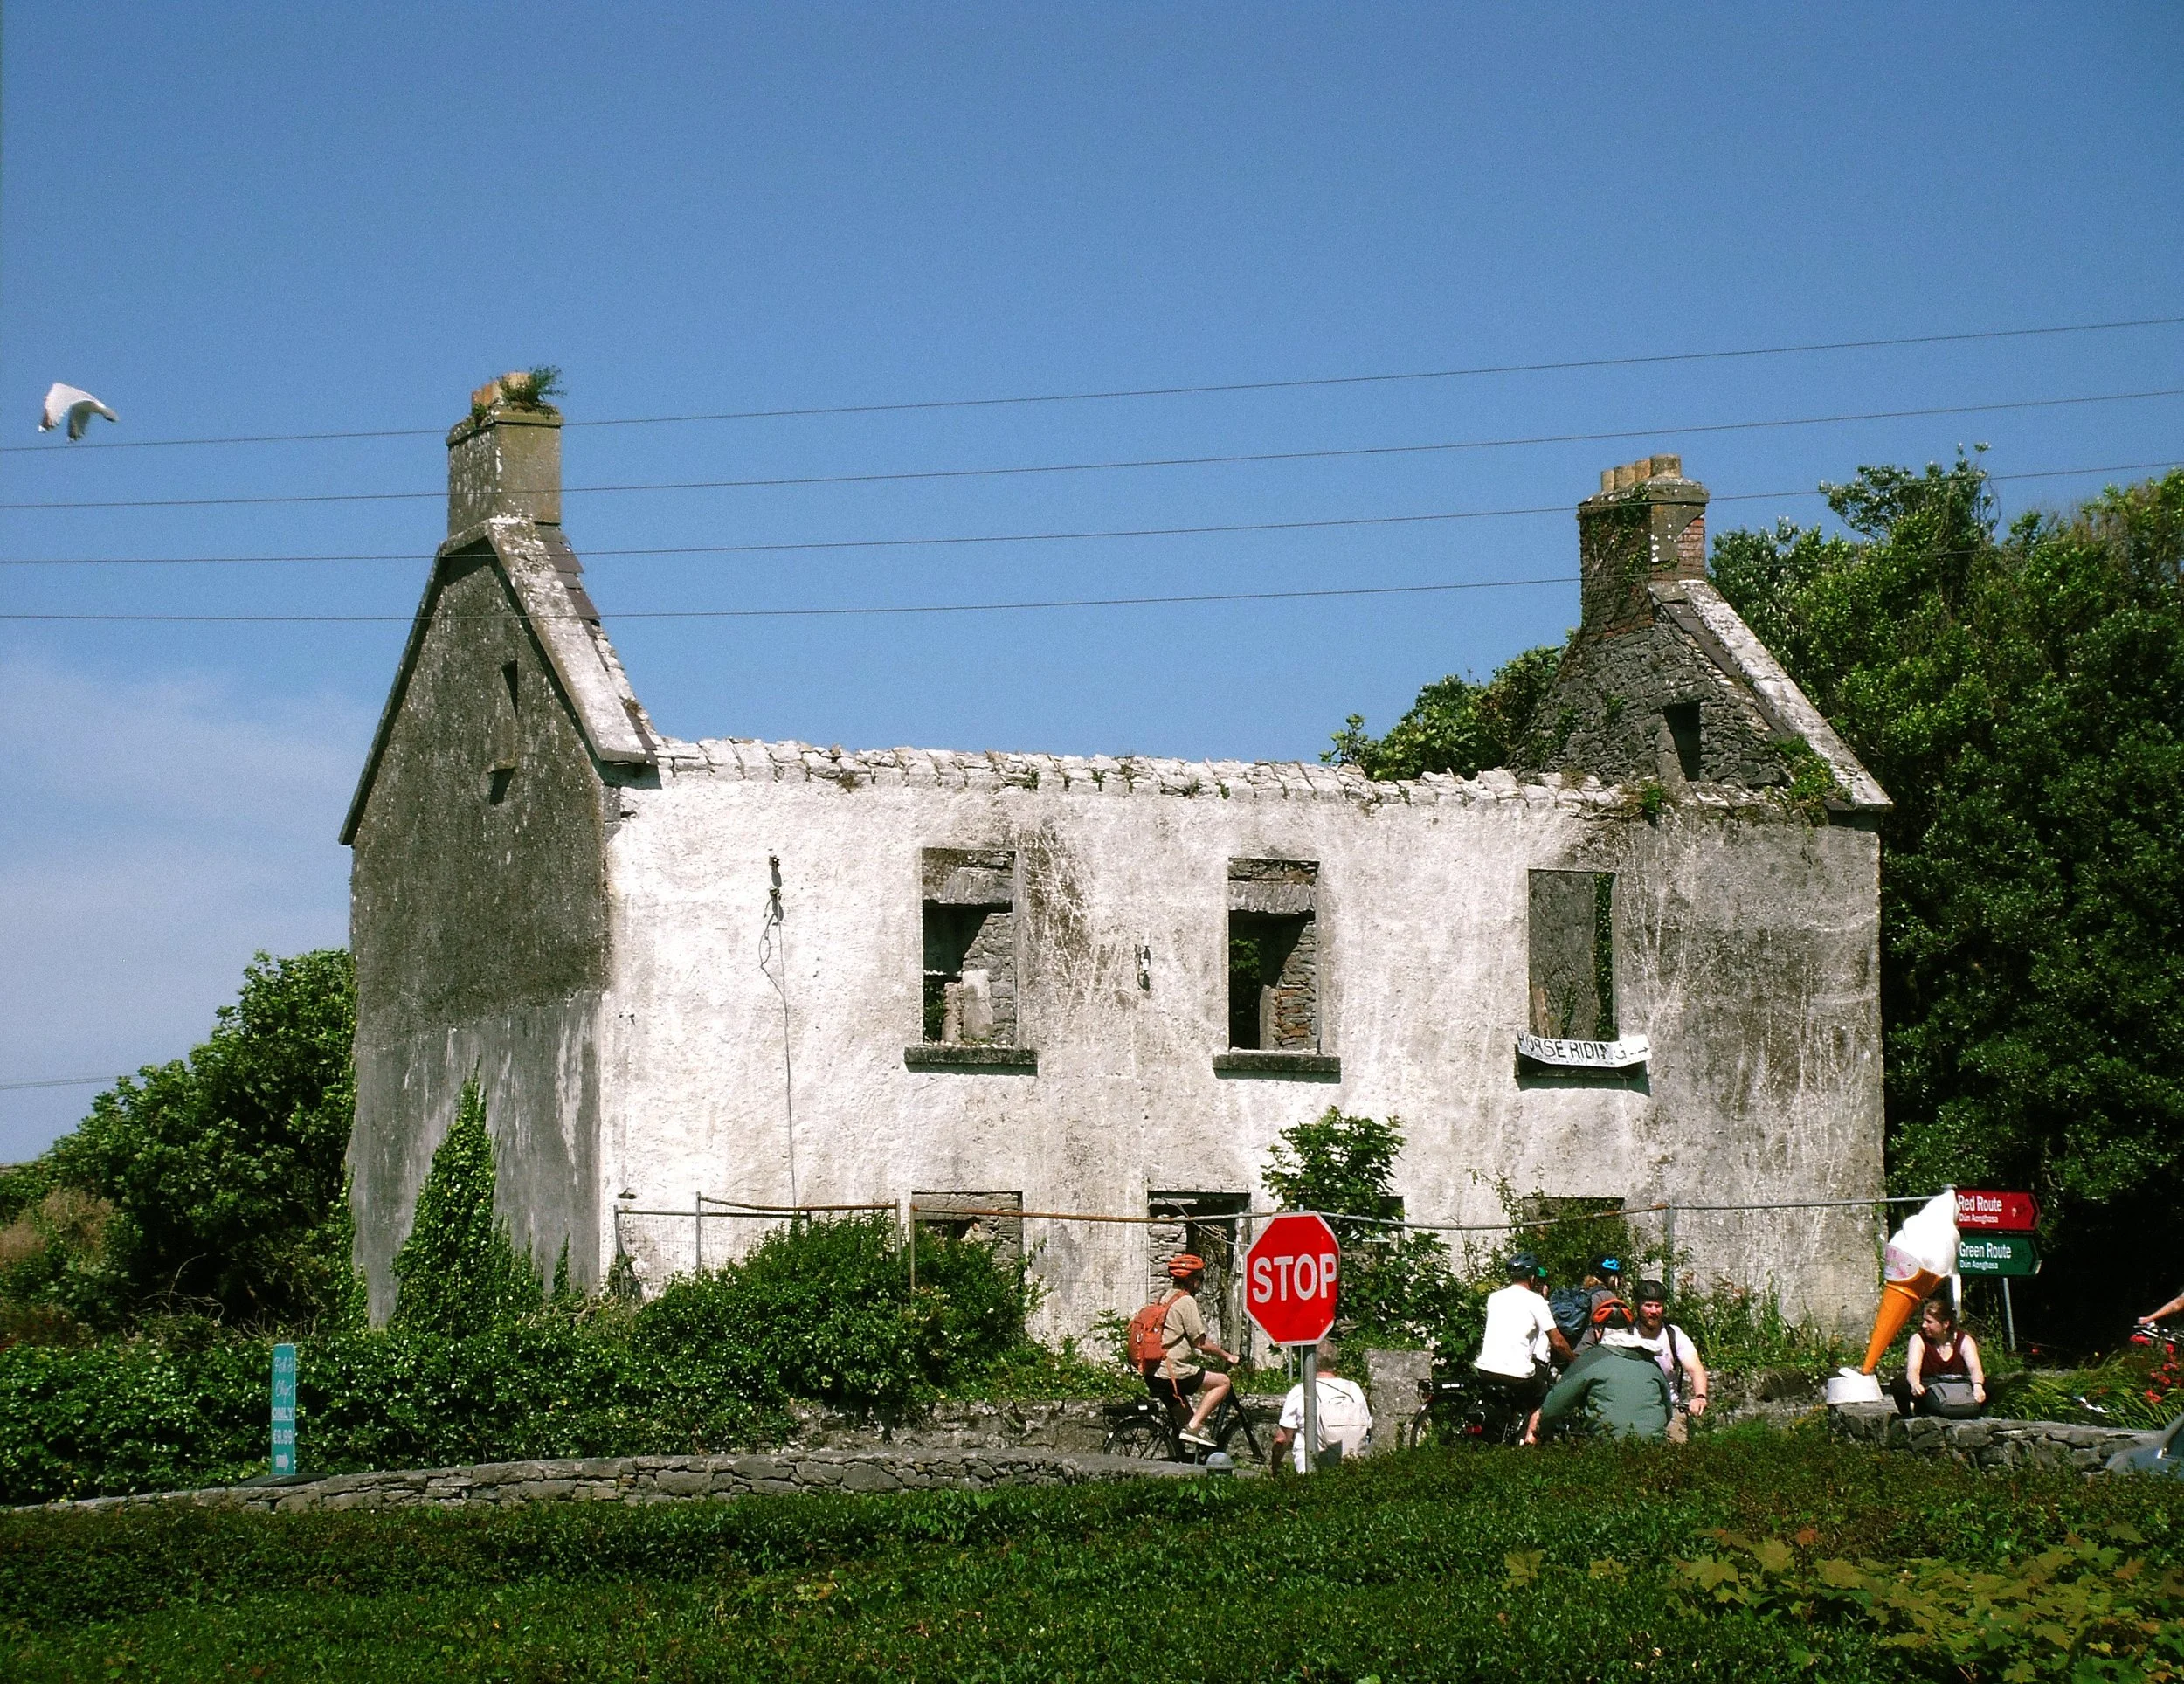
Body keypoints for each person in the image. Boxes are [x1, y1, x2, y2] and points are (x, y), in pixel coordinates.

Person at [1538, 1297, 1673, 1440]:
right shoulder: (1651, 1362)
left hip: (1608, 1448)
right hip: (1655, 1448)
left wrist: (1542, 1430)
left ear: (1597, 1331)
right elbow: (1668, 1411)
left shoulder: (1591, 1358)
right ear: (1630, 1329)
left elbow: (1554, 1405)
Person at [1475, 1250, 1574, 1445]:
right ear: (1532, 1277)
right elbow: (1557, 1341)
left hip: (1485, 1369)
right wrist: (1573, 1359)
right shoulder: (1536, 1301)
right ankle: (1528, 1445)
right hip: (1517, 1374)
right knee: (1543, 1398)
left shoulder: (1494, 1298)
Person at [1144, 1253, 1241, 1447]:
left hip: (1153, 1371)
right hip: (1172, 1372)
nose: (1200, 1283)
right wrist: (1227, 1355)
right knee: (1223, 1382)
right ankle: (1194, 1427)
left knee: (1189, 1430)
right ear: (1190, 1280)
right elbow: (1200, 1343)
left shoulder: (1165, 1297)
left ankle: (1188, 1456)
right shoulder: (1186, 1301)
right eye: (1200, 1278)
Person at [1269, 1338, 1374, 1473]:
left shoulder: (1301, 1391)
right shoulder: (1353, 1388)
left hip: (1311, 1467)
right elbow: (1367, 1426)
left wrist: (1275, 1465)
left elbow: (1281, 1439)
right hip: (1351, 1465)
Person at [1630, 1280, 1707, 1441]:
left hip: (1670, 1409)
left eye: (1658, 1306)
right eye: (1648, 1305)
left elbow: (1695, 1368)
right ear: (1637, 1306)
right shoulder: (1625, 1335)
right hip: (1634, 1410)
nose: (1653, 1311)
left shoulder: (1674, 1335)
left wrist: (1700, 1396)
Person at [1890, 1294, 1986, 1417]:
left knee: (1991, 1384)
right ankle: (1909, 1416)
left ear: (1945, 1324)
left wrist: (1978, 1386)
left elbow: (1975, 1368)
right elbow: (1913, 1369)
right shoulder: (1919, 1339)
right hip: (1929, 1386)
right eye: (1924, 1320)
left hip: (1956, 1384)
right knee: (1899, 1383)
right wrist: (1915, 1384)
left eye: (1929, 1322)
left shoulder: (1964, 1340)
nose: (1924, 1325)